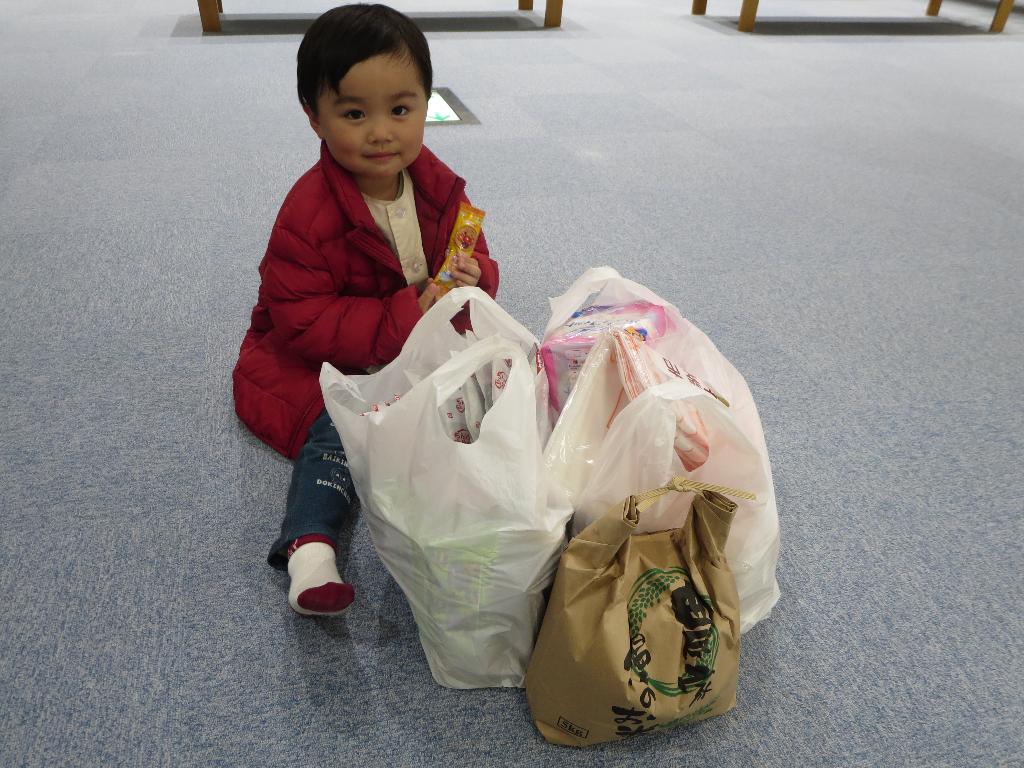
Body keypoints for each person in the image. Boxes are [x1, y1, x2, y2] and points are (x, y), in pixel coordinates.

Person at [232, 4, 499, 617]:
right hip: (325, 362)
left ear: (427, 104)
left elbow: (477, 254)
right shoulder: (307, 213)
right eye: (355, 114)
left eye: (401, 110)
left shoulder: (437, 185)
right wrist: (407, 316)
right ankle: (309, 549)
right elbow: (304, 322)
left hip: (416, 339)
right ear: (315, 117)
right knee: (340, 433)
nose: (382, 132)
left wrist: (477, 277)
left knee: (495, 390)